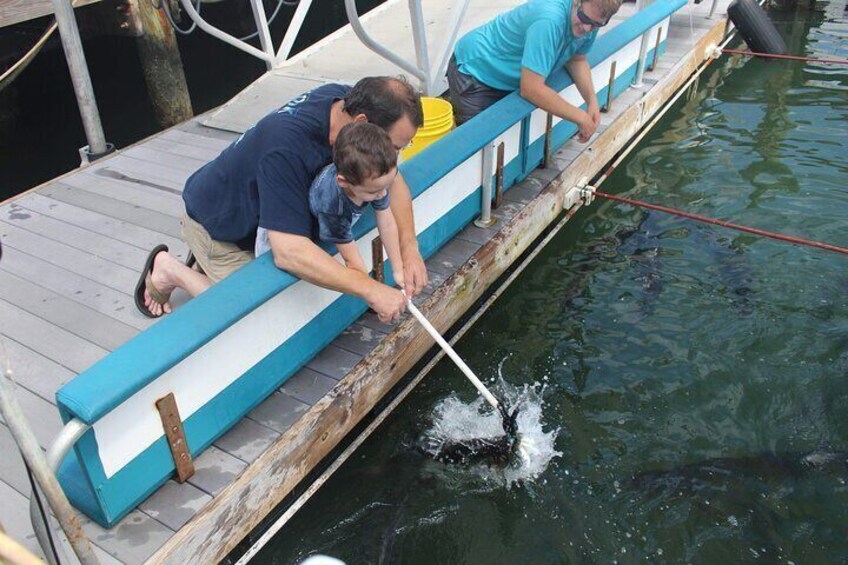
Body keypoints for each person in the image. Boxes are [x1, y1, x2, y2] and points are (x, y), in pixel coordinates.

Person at [134, 77, 428, 323]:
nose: (395, 156)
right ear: (363, 121)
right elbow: (288, 252)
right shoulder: (286, 148)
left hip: (259, 202)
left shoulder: (346, 104)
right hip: (219, 224)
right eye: (394, 147)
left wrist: (409, 247)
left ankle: (206, 264)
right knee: (251, 318)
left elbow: (393, 179)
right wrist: (371, 290)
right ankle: (171, 269)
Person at [447, 0, 623, 141]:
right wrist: (581, 118)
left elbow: (577, 59)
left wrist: (592, 101)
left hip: (508, 74)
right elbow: (531, 89)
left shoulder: (590, 22)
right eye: (584, 18)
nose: (586, 28)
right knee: (476, 143)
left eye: (595, 25)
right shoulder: (549, 20)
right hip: (475, 69)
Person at [256, 122, 405, 287]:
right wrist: (375, 291)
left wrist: (398, 270)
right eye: (373, 192)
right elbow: (353, 263)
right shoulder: (334, 208)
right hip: (281, 233)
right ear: (343, 182)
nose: (383, 194)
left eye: (387, 185)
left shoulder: (374, 179)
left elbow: (387, 223)